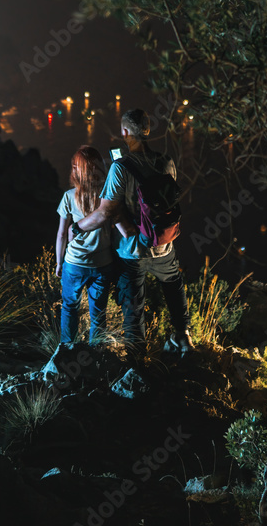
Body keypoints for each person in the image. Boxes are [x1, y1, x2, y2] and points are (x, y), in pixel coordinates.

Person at [68, 109, 193, 353]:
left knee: (133, 305)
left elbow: (105, 213)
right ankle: (183, 337)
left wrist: (77, 226)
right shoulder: (167, 162)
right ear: (147, 130)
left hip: (132, 251)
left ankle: (138, 360)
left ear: (125, 132)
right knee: (174, 285)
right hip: (163, 245)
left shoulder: (120, 168)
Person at [55, 145, 114, 345]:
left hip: (74, 263)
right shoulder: (108, 196)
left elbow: (62, 233)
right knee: (98, 314)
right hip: (102, 263)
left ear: (77, 170)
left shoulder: (69, 197)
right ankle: (96, 357)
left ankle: (66, 350)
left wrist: (58, 262)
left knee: (70, 307)